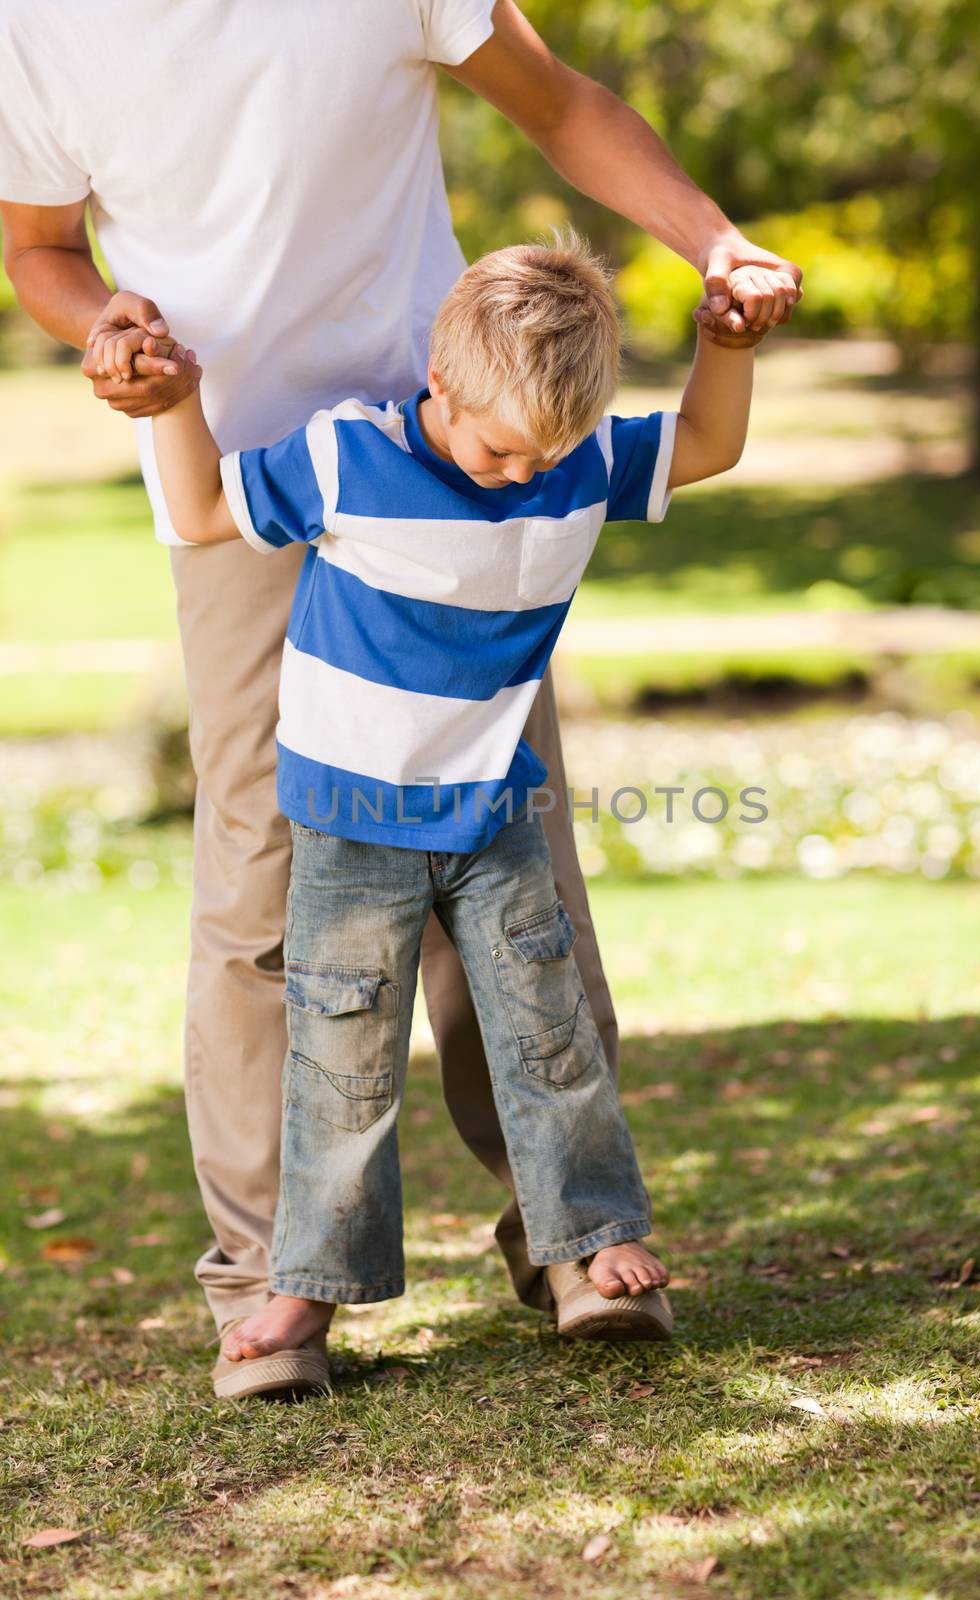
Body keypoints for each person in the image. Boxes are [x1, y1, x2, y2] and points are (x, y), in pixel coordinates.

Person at [0, 0, 800, 1395]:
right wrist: (109, 332)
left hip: (469, 447)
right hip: (243, 468)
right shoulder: (36, 27)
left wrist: (711, 242)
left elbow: (556, 104)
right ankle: (271, 1282)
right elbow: (38, 251)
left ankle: (565, 1239)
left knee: (510, 869)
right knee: (264, 886)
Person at [127, 232, 769, 1396]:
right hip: (349, 826)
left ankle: (588, 1240)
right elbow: (201, 507)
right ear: (440, 384)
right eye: (496, 447)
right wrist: (173, 402)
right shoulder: (347, 460)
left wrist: (724, 344)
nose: (520, 474)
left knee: (546, 1030)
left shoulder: (569, 458)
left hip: (492, 821)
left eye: (545, 456)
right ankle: (304, 1288)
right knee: (339, 1060)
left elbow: (711, 441)